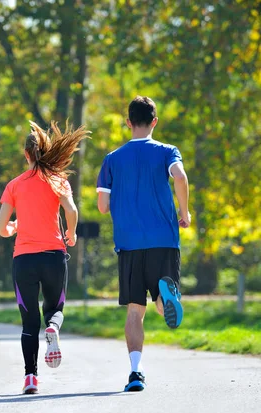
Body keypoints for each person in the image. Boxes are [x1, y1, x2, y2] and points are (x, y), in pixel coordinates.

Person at [97, 96, 190, 392]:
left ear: (128, 122)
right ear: (154, 122)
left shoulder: (112, 159)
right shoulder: (167, 151)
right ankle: (165, 300)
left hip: (129, 243)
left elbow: (102, 205)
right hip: (164, 239)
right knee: (161, 302)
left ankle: (135, 373)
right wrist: (184, 211)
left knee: (135, 311)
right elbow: (180, 176)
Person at [0, 120, 89, 394]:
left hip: (24, 260)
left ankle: (30, 379)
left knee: (28, 323)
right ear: (44, 152)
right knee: (55, 310)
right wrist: (71, 234)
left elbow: (1, 228)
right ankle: (53, 329)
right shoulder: (58, 180)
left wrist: (13, 227)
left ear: (25, 154)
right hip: (53, 257)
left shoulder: (14, 185)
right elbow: (71, 211)